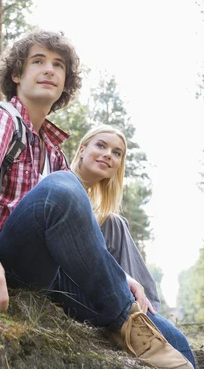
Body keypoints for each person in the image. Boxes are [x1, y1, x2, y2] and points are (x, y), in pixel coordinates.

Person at [0, 29, 194, 369]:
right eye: (38, 61)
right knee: (62, 188)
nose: (49, 70)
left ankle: (127, 317)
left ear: (65, 82)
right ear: (17, 74)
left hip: (49, 276)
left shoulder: (53, 152)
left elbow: (77, 237)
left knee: (177, 345)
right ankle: (124, 317)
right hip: (4, 261)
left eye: (58, 65)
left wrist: (121, 277)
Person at [71, 124, 196, 366]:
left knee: (114, 221)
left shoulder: (96, 206)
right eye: (101, 145)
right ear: (82, 149)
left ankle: (145, 309)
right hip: (67, 281)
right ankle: (141, 312)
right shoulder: (59, 184)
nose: (109, 154)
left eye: (117, 153)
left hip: (98, 281)